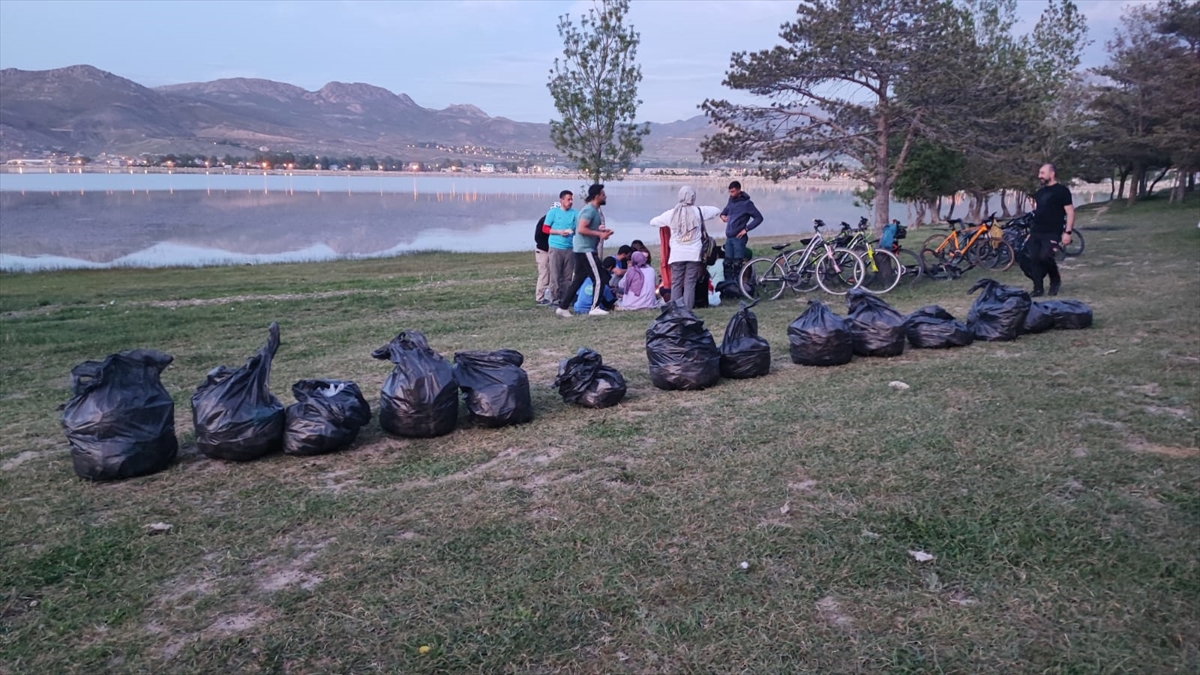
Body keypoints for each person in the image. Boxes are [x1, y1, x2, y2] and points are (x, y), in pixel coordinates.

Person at [650, 185, 722, 310]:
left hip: (677, 255)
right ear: (693, 197)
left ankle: (675, 311)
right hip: (694, 255)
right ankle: (687, 311)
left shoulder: (671, 214)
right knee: (690, 284)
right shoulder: (699, 211)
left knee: (676, 284)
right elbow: (716, 210)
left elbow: (653, 222)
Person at [557, 184, 614, 317]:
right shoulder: (589, 210)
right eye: (603, 194)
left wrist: (600, 230)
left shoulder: (593, 210)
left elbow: (587, 227)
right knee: (600, 278)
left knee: (578, 280)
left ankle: (563, 307)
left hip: (582, 249)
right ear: (597, 196)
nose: (605, 196)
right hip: (585, 250)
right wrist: (600, 235)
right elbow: (581, 229)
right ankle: (594, 308)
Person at [1029, 163, 1074, 297]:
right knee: (1034, 257)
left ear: (1052, 174)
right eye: (1039, 173)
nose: (1039, 176)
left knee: (1045, 256)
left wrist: (1068, 232)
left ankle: (1055, 280)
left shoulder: (1062, 191)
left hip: (1052, 231)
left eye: (1042, 173)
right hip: (1037, 230)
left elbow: (1070, 212)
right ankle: (1038, 289)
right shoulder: (1040, 193)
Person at [543, 190, 577, 308]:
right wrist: (559, 232)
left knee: (567, 277)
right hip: (556, 247)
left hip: (569, 248)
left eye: (571, 199)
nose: (570, 202)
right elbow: (545, 229)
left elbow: (579, 227)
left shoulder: (574, 213)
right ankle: (554, 300)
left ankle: (565, 299)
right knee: (555, 275)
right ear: (561, 200)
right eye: (568, 199)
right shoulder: (553, 212)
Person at [719, 181, 763, 266]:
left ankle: (739, 278)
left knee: (737, 264)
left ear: (739, 190)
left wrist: (746, 229)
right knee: (727, 263)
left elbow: (759, 218)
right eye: (729, 192)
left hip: (739, 238)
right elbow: (725, 210)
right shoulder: (731, 200)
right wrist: (722, 216)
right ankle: (728, 279)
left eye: (733, 192)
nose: (731, 194)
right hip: (729, 237)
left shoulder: (747, 204)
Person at [533, 213, 552, 305]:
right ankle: (540, 298)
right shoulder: (544, 221)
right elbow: (538, 237)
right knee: (544, 274)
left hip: (552, 251)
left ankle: (552, 296)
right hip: (543, 251)